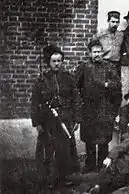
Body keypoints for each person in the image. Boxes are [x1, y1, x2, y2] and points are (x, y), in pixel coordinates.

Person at [31, 45, 81, 188]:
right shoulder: (41, 80)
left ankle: (63, 177)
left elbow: (76, 99)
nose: (57, 64)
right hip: (48, 120)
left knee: (64, 150)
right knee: (48, 149)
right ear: (49, 62)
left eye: (59, 61)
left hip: (65, 118)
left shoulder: (69, 78)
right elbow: (35, 102)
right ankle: (47, 178)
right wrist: (37, 123)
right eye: (54, 61)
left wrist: (77, 119)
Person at [76, 39, 122, 172]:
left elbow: (118, 86)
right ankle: (90, 164)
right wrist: (80, 103)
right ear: (89, 53)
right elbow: (75, 87)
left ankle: (102, 165)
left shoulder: (109, 67)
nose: (97, 54)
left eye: (99, 51)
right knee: (89, 138)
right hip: (89, 108)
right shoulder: (83, 67)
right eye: (94, 52)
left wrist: (107, 85)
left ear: (102, 52)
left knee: (103, 139)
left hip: (105, 108)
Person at [81, 126, 129, 193]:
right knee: (106, 181)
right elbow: (119, 148)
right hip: (120, 167)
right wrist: (109, 158)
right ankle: (95, 189)